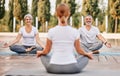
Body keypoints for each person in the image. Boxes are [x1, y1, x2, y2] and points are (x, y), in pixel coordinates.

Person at [37, 3, 93, 74]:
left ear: (56, 14)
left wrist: (40, 53)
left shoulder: (51, 31)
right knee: (86, 57)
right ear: (69, 14)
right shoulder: (74, 31)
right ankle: (76, 58)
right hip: (72, 68)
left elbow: (46, 51)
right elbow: (79, 51)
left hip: (53, 68)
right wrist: (87, 54)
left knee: (43, 55)